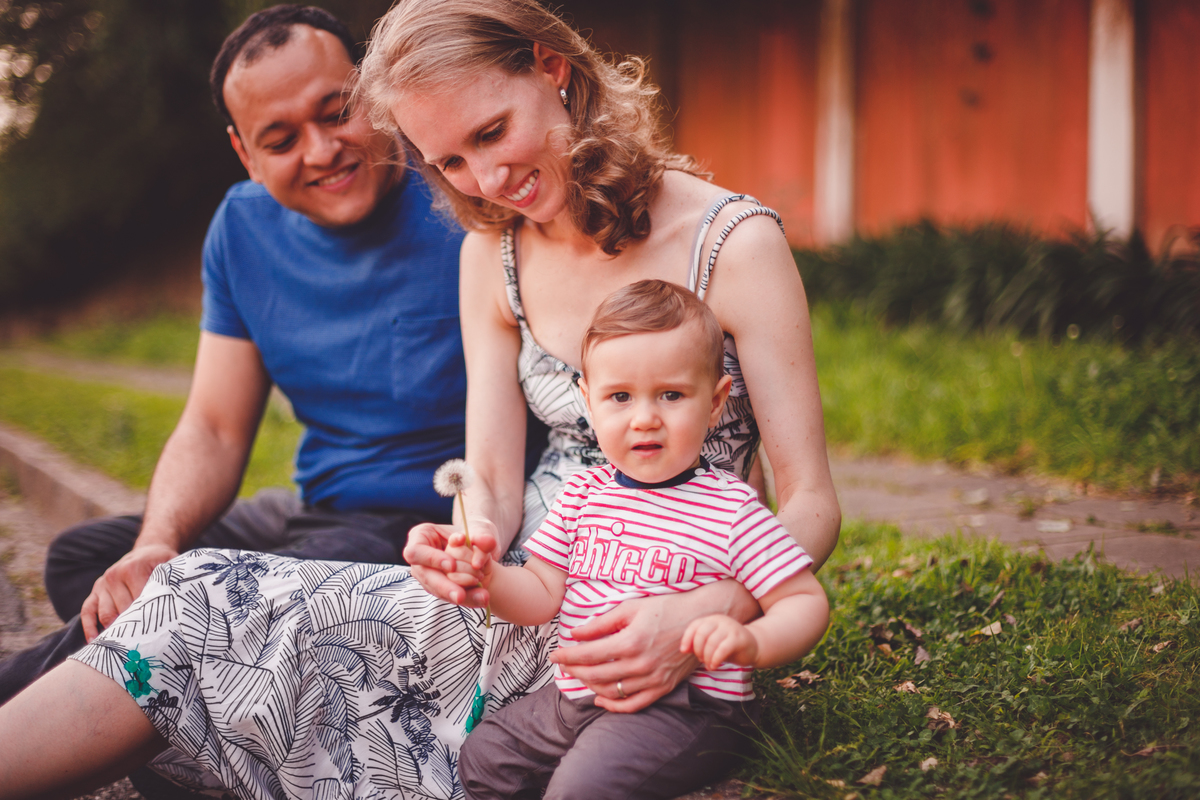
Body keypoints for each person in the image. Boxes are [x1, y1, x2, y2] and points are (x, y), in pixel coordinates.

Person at [0, 1, 841, 797]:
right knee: (191, 598)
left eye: (492, 132)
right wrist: (468, 550)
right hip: (523, 595)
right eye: (449, 162)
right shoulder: (494, 254)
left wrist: (700, 615)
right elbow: (493, 483)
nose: (488, 179)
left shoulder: (735, 244)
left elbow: (809, 504)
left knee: (207, 618)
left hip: (652, 614)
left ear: (553, 69)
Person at [442, 280, 830, 799]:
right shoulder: (583, 495)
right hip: (575, 697)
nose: (645, 417)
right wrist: (489, 577)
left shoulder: (731, 509)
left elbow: (804, 601)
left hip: (684, 708)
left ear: (715, 403)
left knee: (581, 789)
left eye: (671, 395)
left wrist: (753, 642)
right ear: (588, 401)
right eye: (620, 397)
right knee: (483, 758)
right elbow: (540, 593)